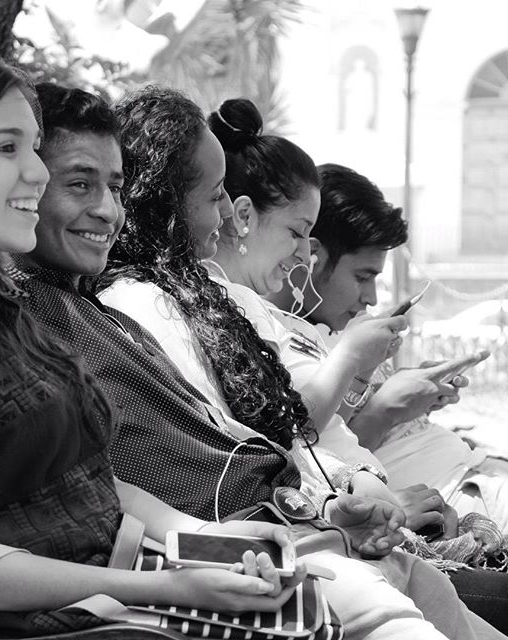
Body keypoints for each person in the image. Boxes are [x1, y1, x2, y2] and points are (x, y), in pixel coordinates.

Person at [0, 48, 310, 637]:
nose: (36, 172)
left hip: (119, 586)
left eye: (33, 147)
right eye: (7, 148)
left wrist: (203, 539)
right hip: (65, 625)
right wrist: (166, 586)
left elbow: (89, 483)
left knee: (333, 595)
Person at [91, 84, 503, 639]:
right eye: (214, 197)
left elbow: (253, 444)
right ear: (164, 197)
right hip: (271, 552)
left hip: (317, 533)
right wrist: (325, 509)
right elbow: (223, 460)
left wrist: (339, 505)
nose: (225, 220)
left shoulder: (192, 297)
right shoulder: (136, 304)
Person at [274, 163, 508, 535]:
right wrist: (386, 407)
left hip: (475, 472)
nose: (370, 298)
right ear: (312, 255)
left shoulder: (339, 330)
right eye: (362, 277)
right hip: (451, 496)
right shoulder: (274, 338)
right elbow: (307, 451)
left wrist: (412, 392)